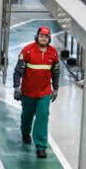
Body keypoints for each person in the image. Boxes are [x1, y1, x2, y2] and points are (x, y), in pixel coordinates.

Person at [13, 26, 60, 158]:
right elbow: (18, 71)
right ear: (37, 37)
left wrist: (55, 88)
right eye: (41, 36)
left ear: (49, 39)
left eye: (46, 37)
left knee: (43, 116)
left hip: (44, 92)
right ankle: (25, 132)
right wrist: (16, 87)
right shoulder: (27, 51)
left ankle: (41, 146)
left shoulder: (53, 53)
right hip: (28, 92)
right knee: (27, 115)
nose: (43, 38)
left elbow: (56, 72)